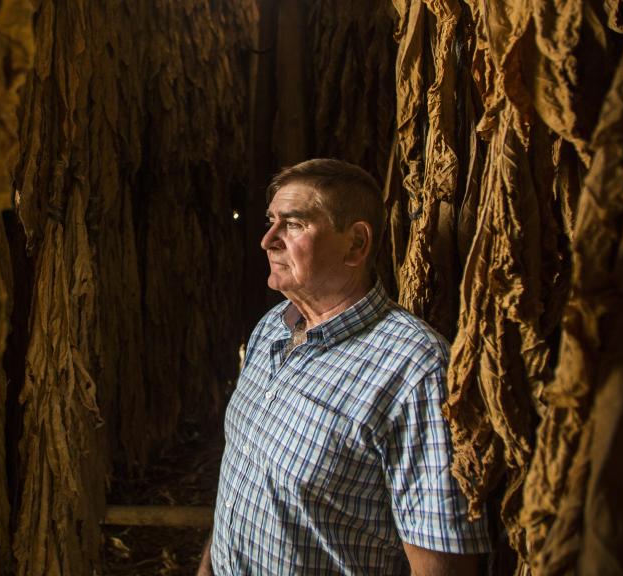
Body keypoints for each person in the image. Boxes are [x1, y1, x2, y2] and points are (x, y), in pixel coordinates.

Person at [198, 159, 489, 575]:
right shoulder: (272, 327)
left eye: (293, 224)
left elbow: (443, 564)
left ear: (355, 244)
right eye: (270, 221)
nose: (268, 240)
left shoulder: (414, 370)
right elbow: (240, 477)